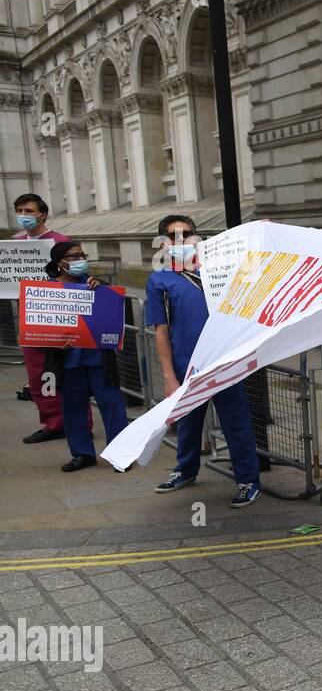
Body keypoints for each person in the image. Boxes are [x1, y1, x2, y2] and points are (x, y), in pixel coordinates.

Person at [145, 214, 263, 508]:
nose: (182, 241)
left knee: (235, 423)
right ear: (163, 243)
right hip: (187, 366)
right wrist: (170, 376)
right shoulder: (159, 280)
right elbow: (161, 331)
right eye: (174, 236)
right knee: (187, 421)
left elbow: (252, 272)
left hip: (224, 362)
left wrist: (261, 234)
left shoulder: (216, 270)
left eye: (187, 234)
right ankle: (185, 470)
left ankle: (248, 480)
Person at [41, 241, 129, 472]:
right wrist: (53, 342)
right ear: (59, 263)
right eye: (72, 256)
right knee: (73, 407)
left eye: (82, 255)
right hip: (68, 361)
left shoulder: (93, 284)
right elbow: (38, 329)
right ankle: (82, 454)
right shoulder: (46, 291)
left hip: (99, 359)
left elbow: (114, 305)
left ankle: (120, 453)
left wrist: (102, 287)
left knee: (112, 404)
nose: (79, 259)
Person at [12, 193, 73, 444]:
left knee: (69, 374)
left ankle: (78, 422)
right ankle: (52, 423)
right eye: (19, 211)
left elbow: (74, 275)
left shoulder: (60, 242)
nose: (24, 215)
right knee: (38, 375)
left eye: (28, 210)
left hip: (59, 319)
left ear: (42, 214)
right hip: (30, 321)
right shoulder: (14, 244)